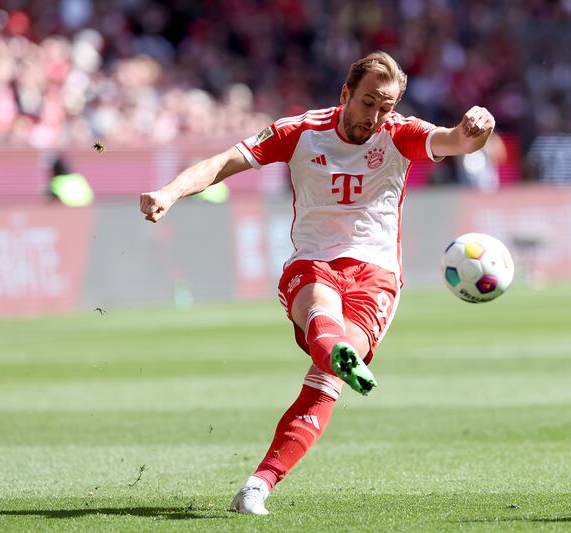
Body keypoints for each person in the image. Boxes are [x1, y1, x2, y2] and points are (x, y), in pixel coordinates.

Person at [139, 51, 495, 515]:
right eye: (368, 103)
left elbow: (456, 142)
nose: (376, 116)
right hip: (313, 262)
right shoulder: (301, 131)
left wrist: (476, 130)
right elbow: (225, 161)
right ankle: (339, 355)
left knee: (325, 378)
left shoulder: (400, 134)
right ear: (345, 94)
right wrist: (169, 192)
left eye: (386, 106)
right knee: (320, 312)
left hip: (377, 276)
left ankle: (256, 486)